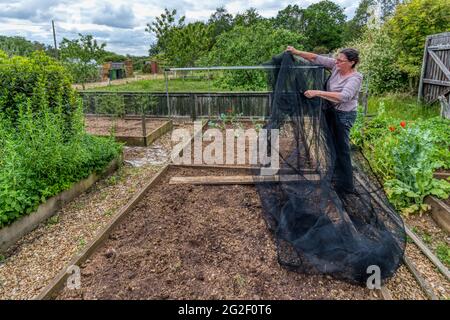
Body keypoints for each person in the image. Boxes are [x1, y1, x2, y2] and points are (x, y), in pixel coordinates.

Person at [285, 46, 363, 194]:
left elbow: (344, 97)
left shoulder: (355, 78)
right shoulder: (336, 66)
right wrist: (296, 52)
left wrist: (317, 92)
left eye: (341, 60)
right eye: (337, 59)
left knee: (342, 149)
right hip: (330, 111)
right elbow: (315, 58)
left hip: (344, 115)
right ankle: (335, 175)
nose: (337, 62)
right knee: (331, 145)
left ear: (351, 63)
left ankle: (346, 184)